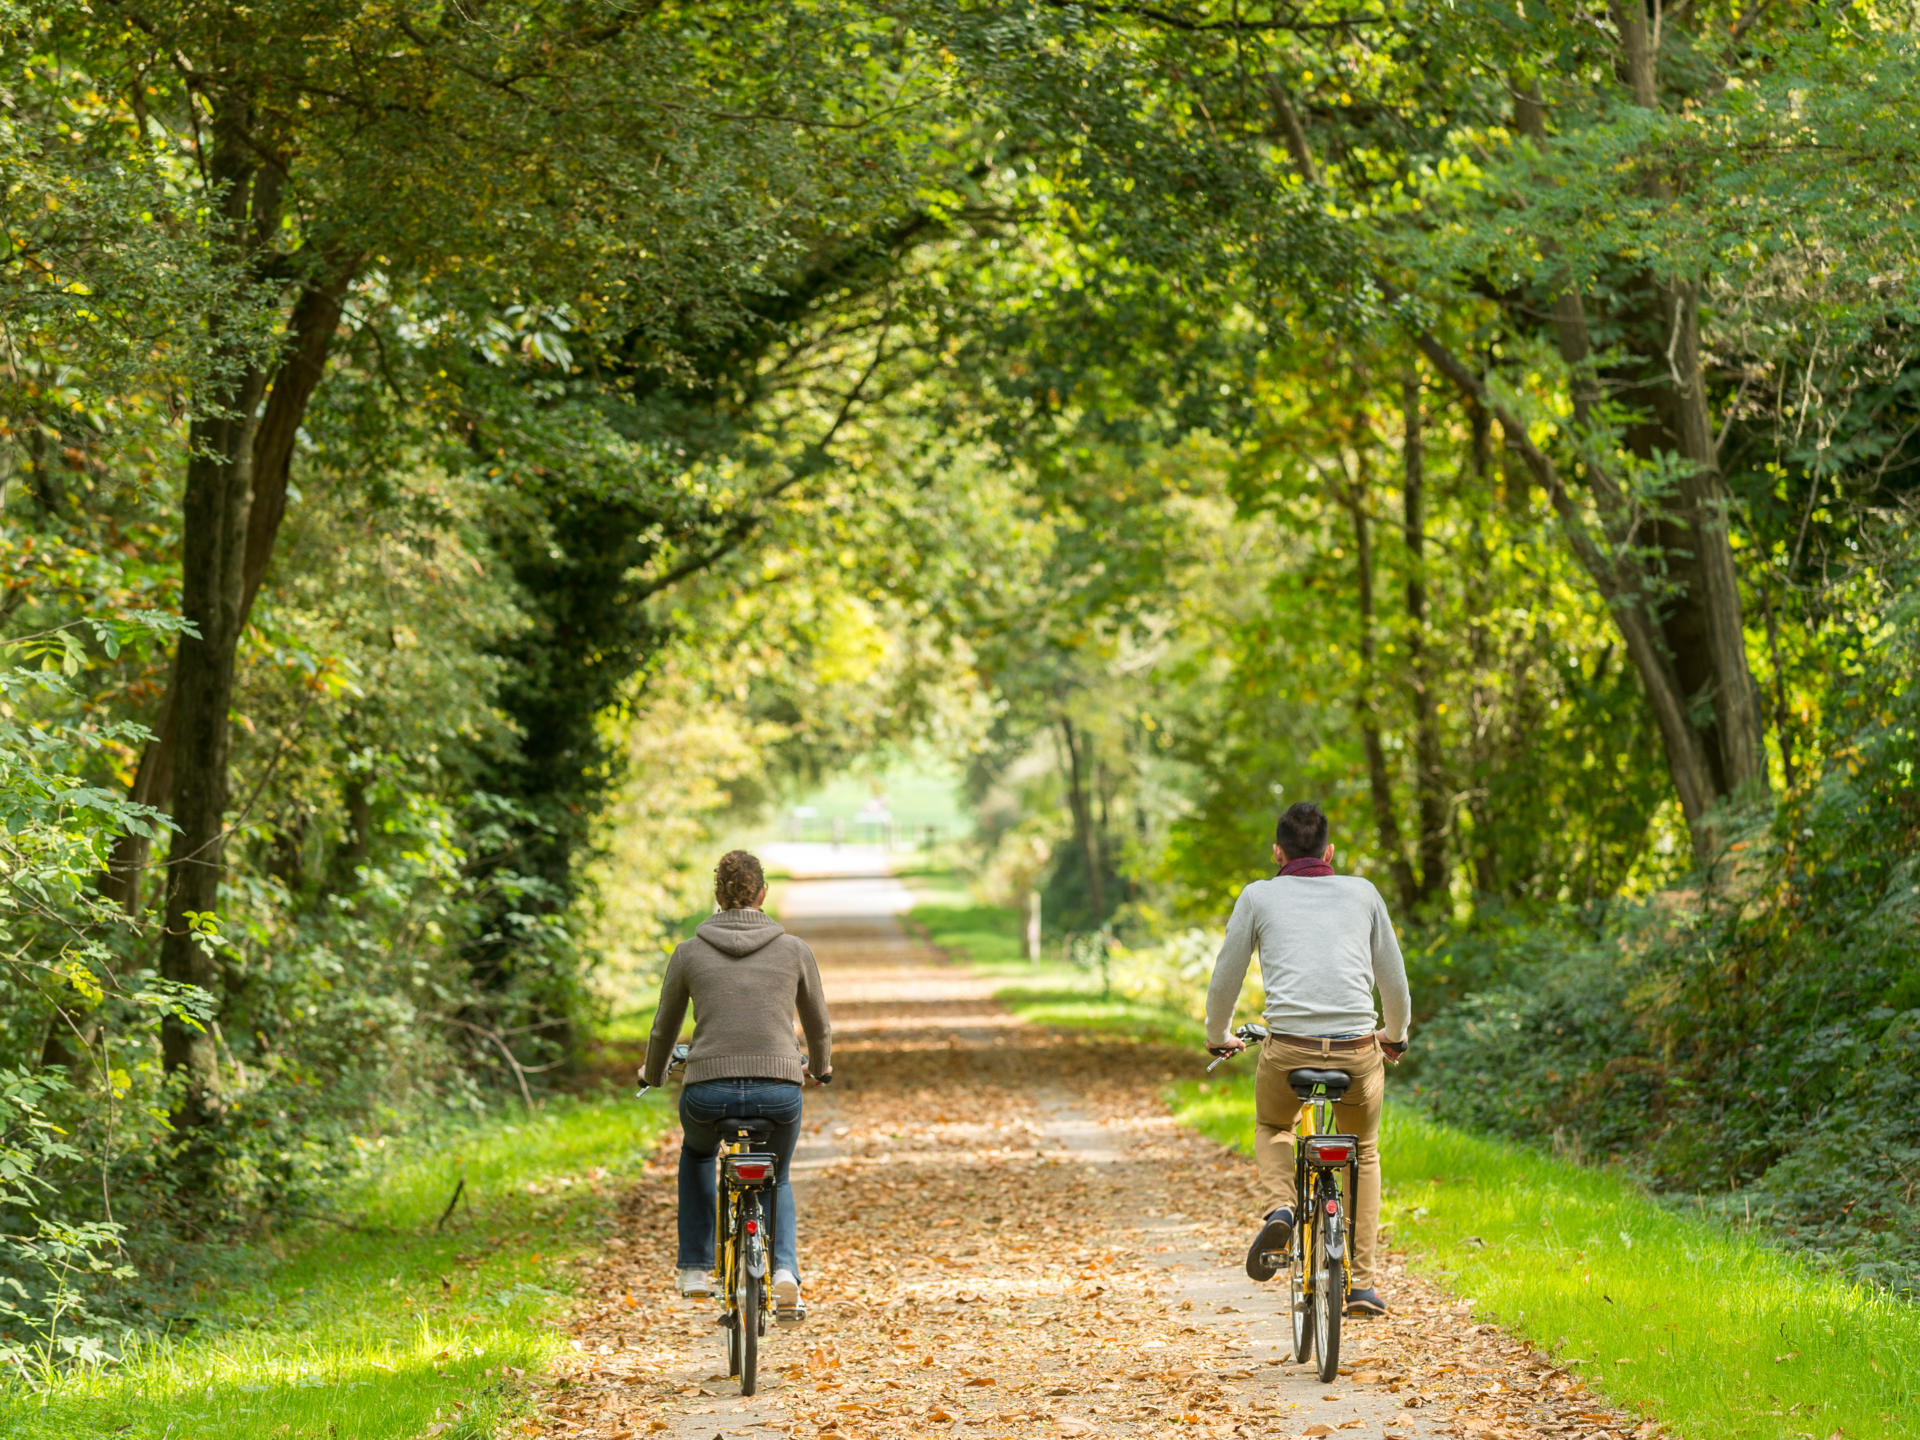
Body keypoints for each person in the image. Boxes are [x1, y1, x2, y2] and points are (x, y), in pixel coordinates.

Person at [1203, 801, 1411, 1317]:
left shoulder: (1258, 896)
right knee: (1362, 1149)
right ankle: (1360, 1284)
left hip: (1288, 1048)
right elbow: (1393, 979)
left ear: (1277, 852)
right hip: (1358, 1051)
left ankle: (1281, 1209)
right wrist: (1396, 1035)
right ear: (1330, 851)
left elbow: (1226, 975)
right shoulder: (1363, 893)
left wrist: (1218, 1035)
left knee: (1274, 1125)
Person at [640, 849, 833, 1310]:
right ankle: (785, 1269)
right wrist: (820, 1067)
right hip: (778, 1090)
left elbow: (664, 1028)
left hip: (708, 1090)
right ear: (763, 893)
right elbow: (819, 1026)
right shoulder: (794, 950)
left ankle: (693, 1268)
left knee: (698, 1155)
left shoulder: (688, 953)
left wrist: (653, 1072)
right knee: (779, 1177)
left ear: (717, 897)